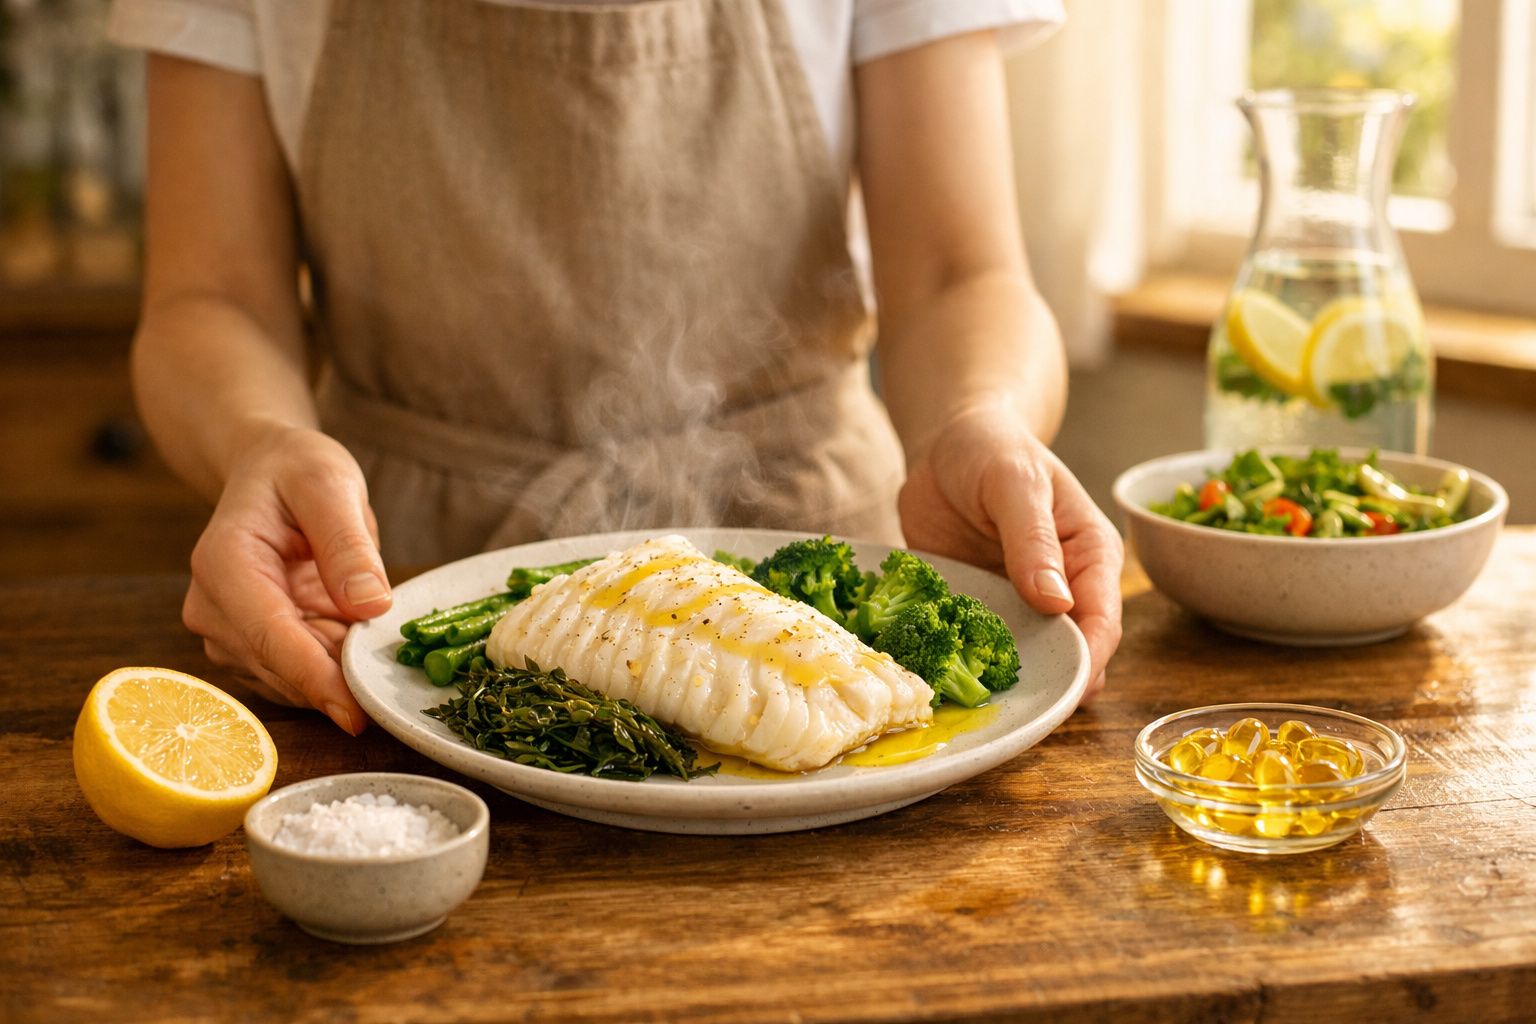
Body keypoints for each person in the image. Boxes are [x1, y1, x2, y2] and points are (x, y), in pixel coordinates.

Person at [111, 0, 1123, 735]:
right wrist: (258, 440)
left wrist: (977, 417)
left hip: (810, 548)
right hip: (385, 583)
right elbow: (214, 298)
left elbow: (958, 273)